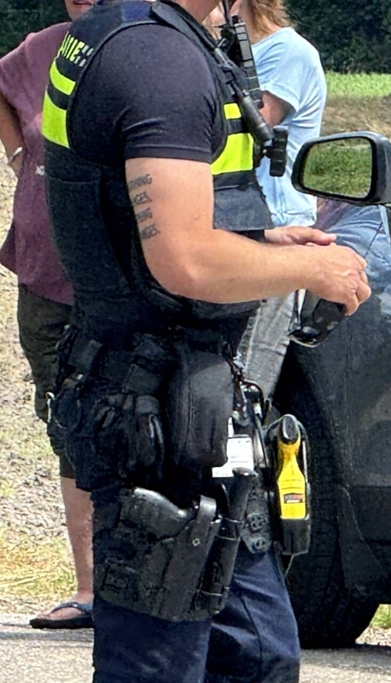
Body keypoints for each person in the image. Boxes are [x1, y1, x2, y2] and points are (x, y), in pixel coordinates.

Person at [41, 0, 370, 680]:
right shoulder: (157, 60)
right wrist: (312, 267)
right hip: (154, 418)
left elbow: (140, 214)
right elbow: (183, 259)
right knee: (160, 666)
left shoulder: (136, 34)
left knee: (257, 654)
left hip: (191, 404)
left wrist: (263, 242)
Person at [0, 0, 96, 630]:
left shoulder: (145, 47)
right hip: (44, 273)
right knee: (64, 420)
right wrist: (17, 157)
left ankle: (135, 583)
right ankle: (89, 588)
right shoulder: (44, 47)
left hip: (116, 278)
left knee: (126, 422)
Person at [209, 0, 327, 401]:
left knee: (248, 375)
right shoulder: (221, 52)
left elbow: (246, 123)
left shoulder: (290, 53)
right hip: (233, 224)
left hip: (277, 226)